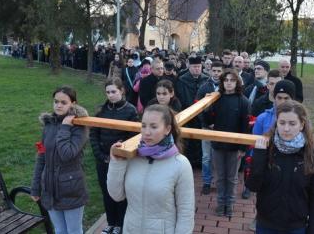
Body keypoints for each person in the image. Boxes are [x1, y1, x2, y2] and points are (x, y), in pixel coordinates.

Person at [107, 104, 195, 234]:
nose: (146, 132)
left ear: (167, 129)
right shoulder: (132, 157)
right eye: (143, 126)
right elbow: (116, 195)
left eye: (154, 127)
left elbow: (186, 212)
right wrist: (116, 163)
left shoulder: (180, 164)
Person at [246, 101, 314, 234]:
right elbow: (253, 186)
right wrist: (259, 155)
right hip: (266, 224)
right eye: (282, 123)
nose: (286, 129)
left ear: (302, 125)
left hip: (296, 227)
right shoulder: (267, 149)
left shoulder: (312, 154)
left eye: (292, 124)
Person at [30, 86, 89, 234]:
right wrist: (36, 187)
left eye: (64, 102)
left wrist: (65, 128)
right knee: (60, 230)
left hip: (71, 188)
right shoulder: (49, 124)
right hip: (49, 187)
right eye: (56, 101)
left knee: (73, 231)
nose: (58, 105)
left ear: (73, 104)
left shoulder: (79, 126)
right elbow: (42, 157)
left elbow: (67, 154)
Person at [90, 78, 139, 234]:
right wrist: (101, 155)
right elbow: (93, 134)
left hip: (121, 160)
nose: (110, 95)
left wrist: (119, 153)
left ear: (122, 91)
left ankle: (120, 223)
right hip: (103, 159)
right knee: (106, 192)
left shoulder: (130, 110)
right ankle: (110, 222)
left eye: (113, 92)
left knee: (120, 193)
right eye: (108, 92)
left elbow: (133, 136)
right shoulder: (101, 110)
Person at [204, 68, 250, 217]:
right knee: (220, 176)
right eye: (226, 80)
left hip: (235, 147)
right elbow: (209, 121)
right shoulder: (216, 99)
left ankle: (229, 204)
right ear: (222, 82)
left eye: (232, 80)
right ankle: (220, 202)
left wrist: (243, 147)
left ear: (237, 82)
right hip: (218, 145)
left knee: (232, 178)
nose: (229, 83)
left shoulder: (243, 101)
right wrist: (206, 108)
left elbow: (245, 126)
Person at [196, 60, 223, 194]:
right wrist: (207, 123)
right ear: (210, 71)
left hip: (222, 128)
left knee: (219, 157)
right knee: (206, 156)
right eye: (214, 71)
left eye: (219, 71)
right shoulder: (204, 86)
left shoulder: (227, 87)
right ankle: (207, 182)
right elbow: (198, 108)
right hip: (206, 127)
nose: (217, 73)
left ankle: (220, 182)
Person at [176, 56, 209, 167]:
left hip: (202, 115)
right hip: (187, 114)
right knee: (187, 140)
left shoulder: (206, 79)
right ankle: (188, 162)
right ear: (189, 67)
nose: (197, 69)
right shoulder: (181, 80)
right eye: (194, 67)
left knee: (201, 140)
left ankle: (199, 162)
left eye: (199, 67)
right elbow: (180, 97)